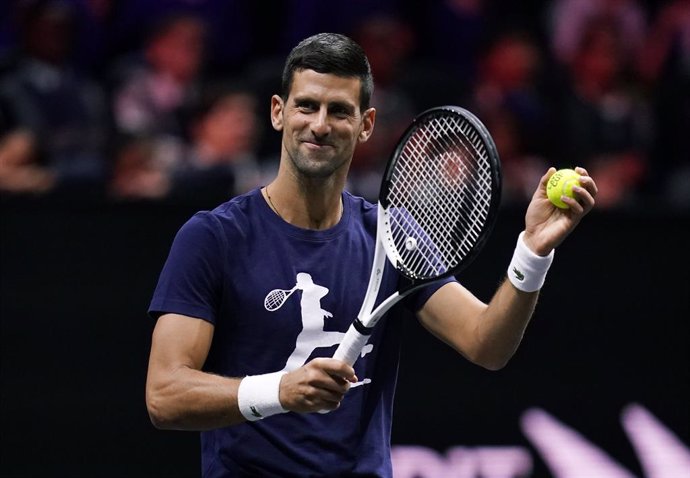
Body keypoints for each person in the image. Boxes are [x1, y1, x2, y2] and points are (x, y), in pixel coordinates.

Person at [145, 33, 598, 477]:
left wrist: (533, 252)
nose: (320, 125)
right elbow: (164, 396)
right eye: (307, 106)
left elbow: (487, 345)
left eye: (339, 111)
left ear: (365, 124)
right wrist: (278, 391)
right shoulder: (213, 237)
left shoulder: (392, 236)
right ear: (278, 112)